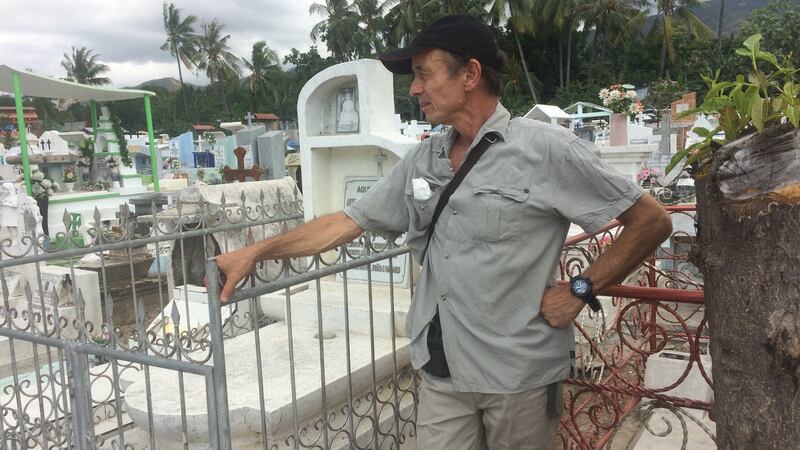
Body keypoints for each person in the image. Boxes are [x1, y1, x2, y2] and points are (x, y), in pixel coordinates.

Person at [215, 14, 672, 450]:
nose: (414, 88)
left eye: (423, 74)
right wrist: (257, 251)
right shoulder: (424, 158)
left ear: (470, 74)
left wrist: (579, 288)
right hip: (440, 366)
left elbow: (651, 220)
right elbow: (347, 222)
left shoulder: (546, 151)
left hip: (518, 372)